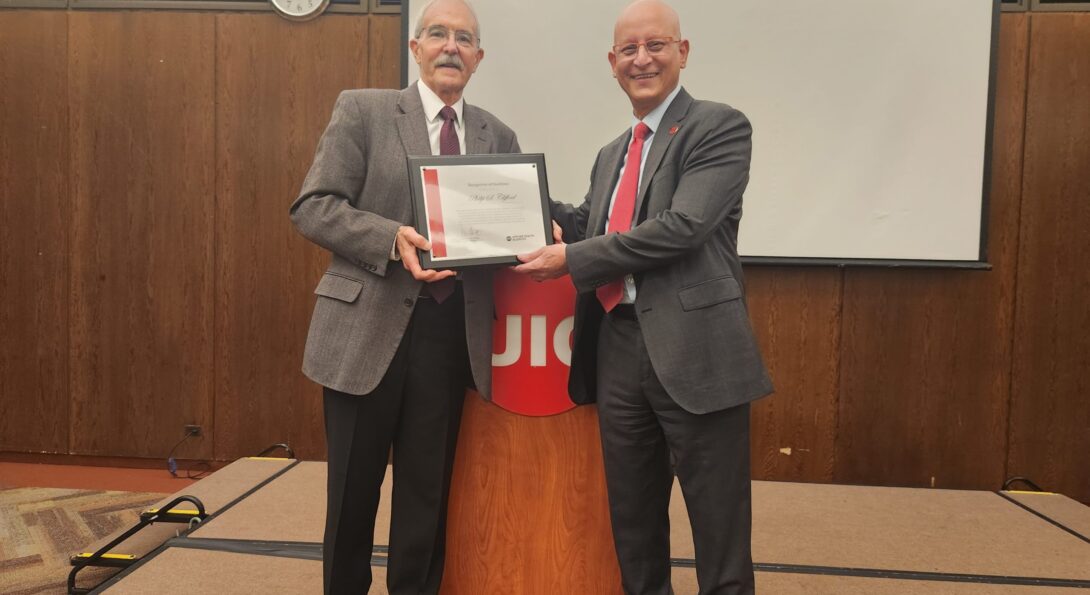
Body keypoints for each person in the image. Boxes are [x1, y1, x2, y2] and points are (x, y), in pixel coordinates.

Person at [514, 1, 772, 593]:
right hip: (620, 348)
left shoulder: (719, 126)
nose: (642, 59)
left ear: (683, 52)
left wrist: (571, 260)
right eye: (629, 50)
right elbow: (591, 223)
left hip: (696, 351)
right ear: (612, 62)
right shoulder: (614, 152)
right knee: (633, 528)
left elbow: (683, 225)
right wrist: (513, 199)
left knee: (719, 532)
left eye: (656, 46)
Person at [288, 1, 518, 593]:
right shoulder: (363, 110)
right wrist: (390, 237)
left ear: (479, 58)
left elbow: (504, 228)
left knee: (427, 502)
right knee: (351, 499)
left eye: (464, 39)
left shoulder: (498, 136)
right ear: (415, 48)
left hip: (449, 342)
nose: (451, 47)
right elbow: (314, 206)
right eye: (437, 34)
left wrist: (537, 233)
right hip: (364, 332)